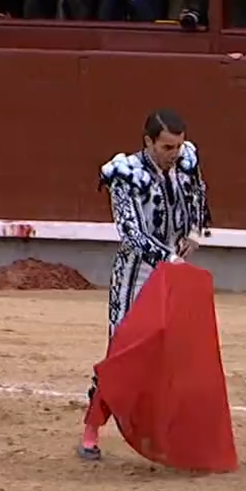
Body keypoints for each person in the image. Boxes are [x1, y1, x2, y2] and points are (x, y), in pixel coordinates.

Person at [78, 109, 212, 460]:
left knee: (175, 354)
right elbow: (131, 234)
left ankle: (169, 432)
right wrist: (170, 260)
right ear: (148, 142)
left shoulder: (186, 160)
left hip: (175, 273)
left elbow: (199, 196)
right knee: (123, 354)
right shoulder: (125, 175)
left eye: (178, 147)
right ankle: (91, 431)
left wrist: (195, 233)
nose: (174, 154)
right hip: (136, 276)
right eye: (167, 147)